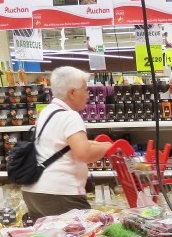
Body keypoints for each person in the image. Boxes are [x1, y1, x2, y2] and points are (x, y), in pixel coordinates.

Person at [22, 66, 113, 220]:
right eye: (85, 90)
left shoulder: (47, 112)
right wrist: (109, 147)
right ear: (72, 92)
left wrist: (97, 145)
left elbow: (63, 144)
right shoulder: (70, 116)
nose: (88, 95)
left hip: (35, 191)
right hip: (60, 194)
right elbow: (84, 153)